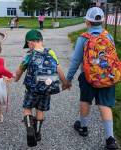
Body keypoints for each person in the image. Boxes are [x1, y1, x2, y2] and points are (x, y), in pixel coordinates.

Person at [65, 7, 118, 150]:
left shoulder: (83, 38)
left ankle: (83, 127)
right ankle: (110, 138)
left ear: (87, 22)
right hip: (107, 76)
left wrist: (68, 79)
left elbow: (76, 61)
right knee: (105, 105)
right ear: (102, 21)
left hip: (88, 77)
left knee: (85, 101)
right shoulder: (109, 36)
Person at [14, 29, 67, 147]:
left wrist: (16, 78)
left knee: (27, 108)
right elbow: (59, 69)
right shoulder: (51, 52)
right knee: (40, 110)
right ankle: (37, 133)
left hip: (31, 89)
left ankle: (29, 129)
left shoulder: (29, 55)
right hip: (46, 89)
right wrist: (65, 83)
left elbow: (20, 70)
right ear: (41, 41)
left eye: (27, 44)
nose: (28, 46)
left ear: (31, 42)